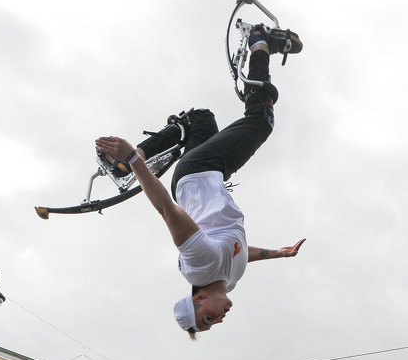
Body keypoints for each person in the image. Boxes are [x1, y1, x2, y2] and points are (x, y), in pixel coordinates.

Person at [96, 24, 304, 337]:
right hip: (201, 176)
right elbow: (239, 251)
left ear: (199, 297)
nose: (217, 320)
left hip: (200, 171)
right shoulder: (227, 278)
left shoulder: (200, 263)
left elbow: (166, 209)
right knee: (202, 120)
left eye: (207, 318)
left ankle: (261, 40)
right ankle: (151, 146)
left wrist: (133, 160)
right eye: (212, 324)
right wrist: (277, 253)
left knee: (261, 120)